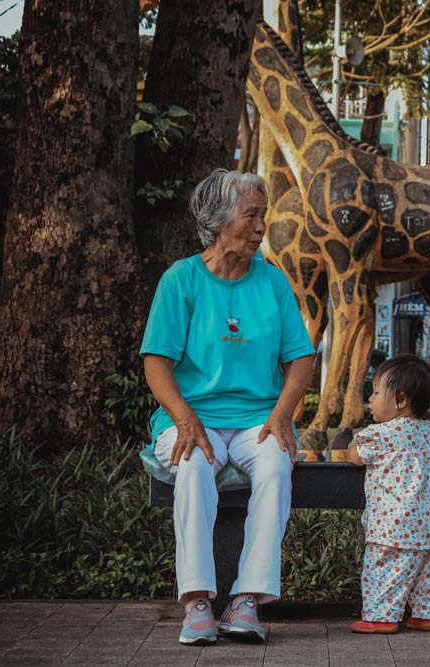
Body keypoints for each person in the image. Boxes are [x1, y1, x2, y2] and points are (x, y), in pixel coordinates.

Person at [141, 168, 314, 646]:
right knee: (193, 464)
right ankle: (197, 601)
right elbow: (156, 363)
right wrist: (184, 418)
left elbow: (300, 359)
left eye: (263, 216)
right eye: (251, 216)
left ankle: (247, 601)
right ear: (219, 222)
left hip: (257, 420)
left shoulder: (273, 283)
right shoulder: (182, 280)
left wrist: (281, 415)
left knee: (277, 466)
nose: (261, 227)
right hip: (190, 416)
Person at [346, 354, 430, 634]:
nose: (370, 399)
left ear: (401, 400)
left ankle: (381, 617)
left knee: (382, 568)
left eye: (376, 392)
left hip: (394, 525)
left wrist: (351, 445)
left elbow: (357, 457)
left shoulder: (380, 434)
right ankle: (426, 615)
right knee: (429, 572)